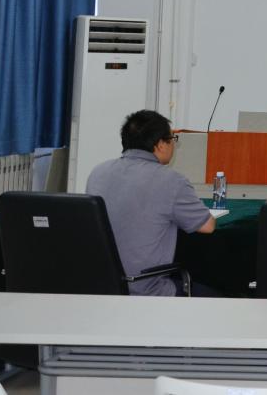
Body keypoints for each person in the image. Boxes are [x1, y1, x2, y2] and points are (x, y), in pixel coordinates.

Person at [85, 110, 215, 297]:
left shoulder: (98, 172)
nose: (174, 144)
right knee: (222, 298)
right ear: (161, 144)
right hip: (147, 291)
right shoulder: (171, 180)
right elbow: (207, 226)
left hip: (101, 288)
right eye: (173, 139)